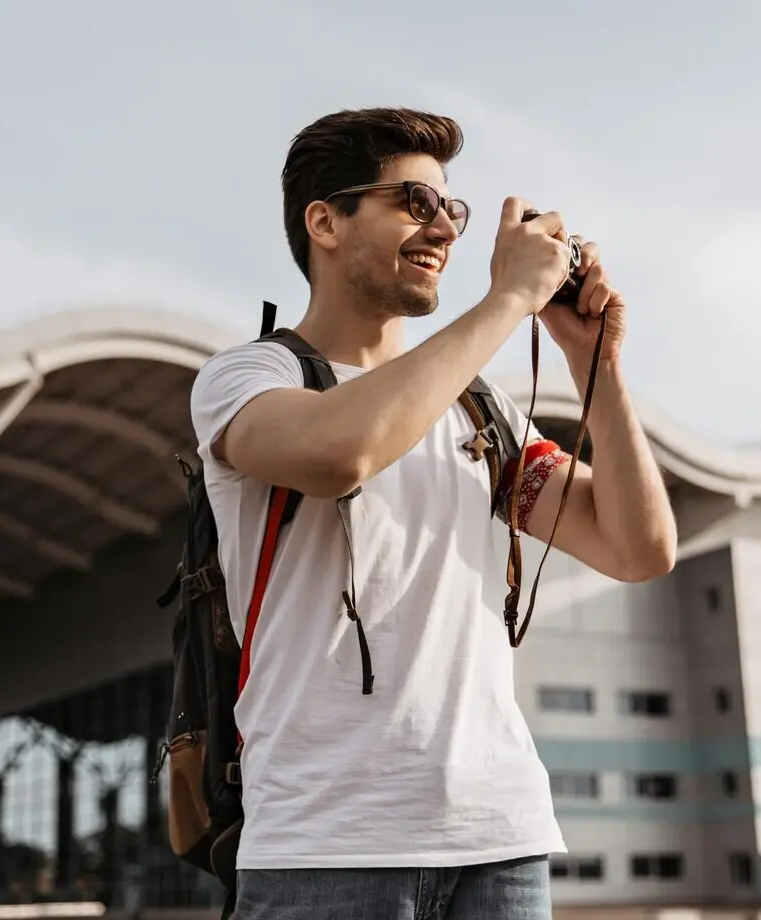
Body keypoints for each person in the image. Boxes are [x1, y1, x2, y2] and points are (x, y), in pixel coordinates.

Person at [188, 107, 678, 920]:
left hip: (501, 842)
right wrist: (510, 298)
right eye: (415, 203)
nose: (444, 229)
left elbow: (639, 546)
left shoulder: (475, 412)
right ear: (326, 221)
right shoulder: (251, 378)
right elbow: (339, 454)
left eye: (452, 209)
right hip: (324, 849)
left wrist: (596, 366)